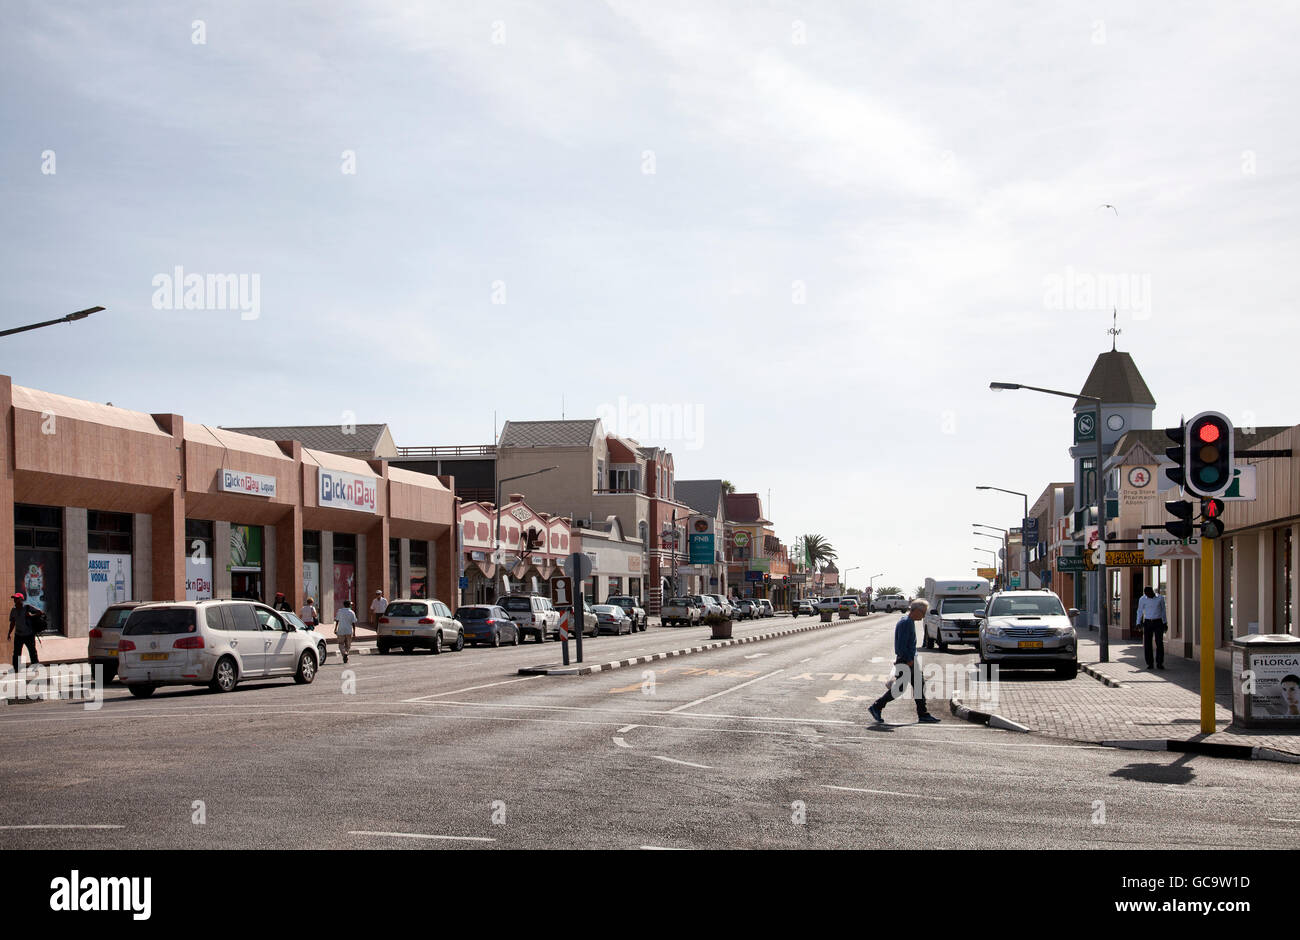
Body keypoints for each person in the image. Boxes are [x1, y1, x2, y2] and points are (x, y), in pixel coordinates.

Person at [869, 599, 939, 724]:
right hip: (907, 661)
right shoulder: (906, 623)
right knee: (900, 689)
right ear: (916, 611)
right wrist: (908, 660)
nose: (923, 616)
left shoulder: (908, 621)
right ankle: (877, 706)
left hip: (910, 660)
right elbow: (900, 646)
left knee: (919, 685)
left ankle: (923, 714)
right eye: (923, 613)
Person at [1136, 585, 1167, 670]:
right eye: (1145, 594)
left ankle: (1160, 663)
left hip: (1158, 622)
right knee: (1147, 643)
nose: (1147, 595)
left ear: (1152, 592)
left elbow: (1163, 610)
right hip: (1148, 622)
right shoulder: (1142, 599)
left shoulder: (1160, 598)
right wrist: (1138, 622)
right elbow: (1139, 611)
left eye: (1148, 593)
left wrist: (1165, 623)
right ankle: (1150, 663)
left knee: (1159, 642)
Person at [8, 592, 40, 671]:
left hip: (29, 634)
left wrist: (31, 615)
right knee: (17, 653)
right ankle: (16, 668)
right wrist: (9, 633)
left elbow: (40, 612)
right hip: (18, 635)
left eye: (16, 598)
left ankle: (35, 666)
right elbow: (12, 623)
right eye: (14, 598)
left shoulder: (27, 607)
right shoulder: (13, 610)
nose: (15, 600)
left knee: (32, 651)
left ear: (21, 599)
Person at [334, 600, 358, 664]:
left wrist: (335, 629)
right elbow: (353, 623)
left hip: (341, 630)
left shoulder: (340, 611)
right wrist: (354, 632)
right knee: (348, 645)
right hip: (349, 631)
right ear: (349, 605)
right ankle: (346, 653)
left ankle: (344, 653)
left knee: (340, 644)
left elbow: (337, 620)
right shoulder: (352, 612)